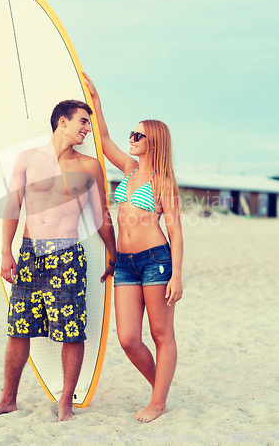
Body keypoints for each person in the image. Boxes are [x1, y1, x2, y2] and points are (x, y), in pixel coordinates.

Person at [0, 99, 117, 421]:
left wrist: (114, 252)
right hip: (29, 254)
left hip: (67, 256)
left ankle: (65, 404)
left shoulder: (89, 166)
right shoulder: (27, 159)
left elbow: (101, 216)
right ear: (62, 123)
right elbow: (13, 207)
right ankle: (7, 399)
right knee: (18, 329)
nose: (87, 129)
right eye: (83, 121)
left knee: (72, 331)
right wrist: (6, 251)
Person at [84, 73, 183, 423]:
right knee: (127, 338)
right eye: (133, 132)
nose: (132, 138)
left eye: (139, 135)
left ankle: (157, 402)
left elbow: (175, 229)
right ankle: (161, 390)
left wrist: (178, 276)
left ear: (153, 141)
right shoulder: (128, 168)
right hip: (125, 262)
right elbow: (105, 138)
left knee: (160, 334)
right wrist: (95, 101)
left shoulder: (162, 181)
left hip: (156, 260)